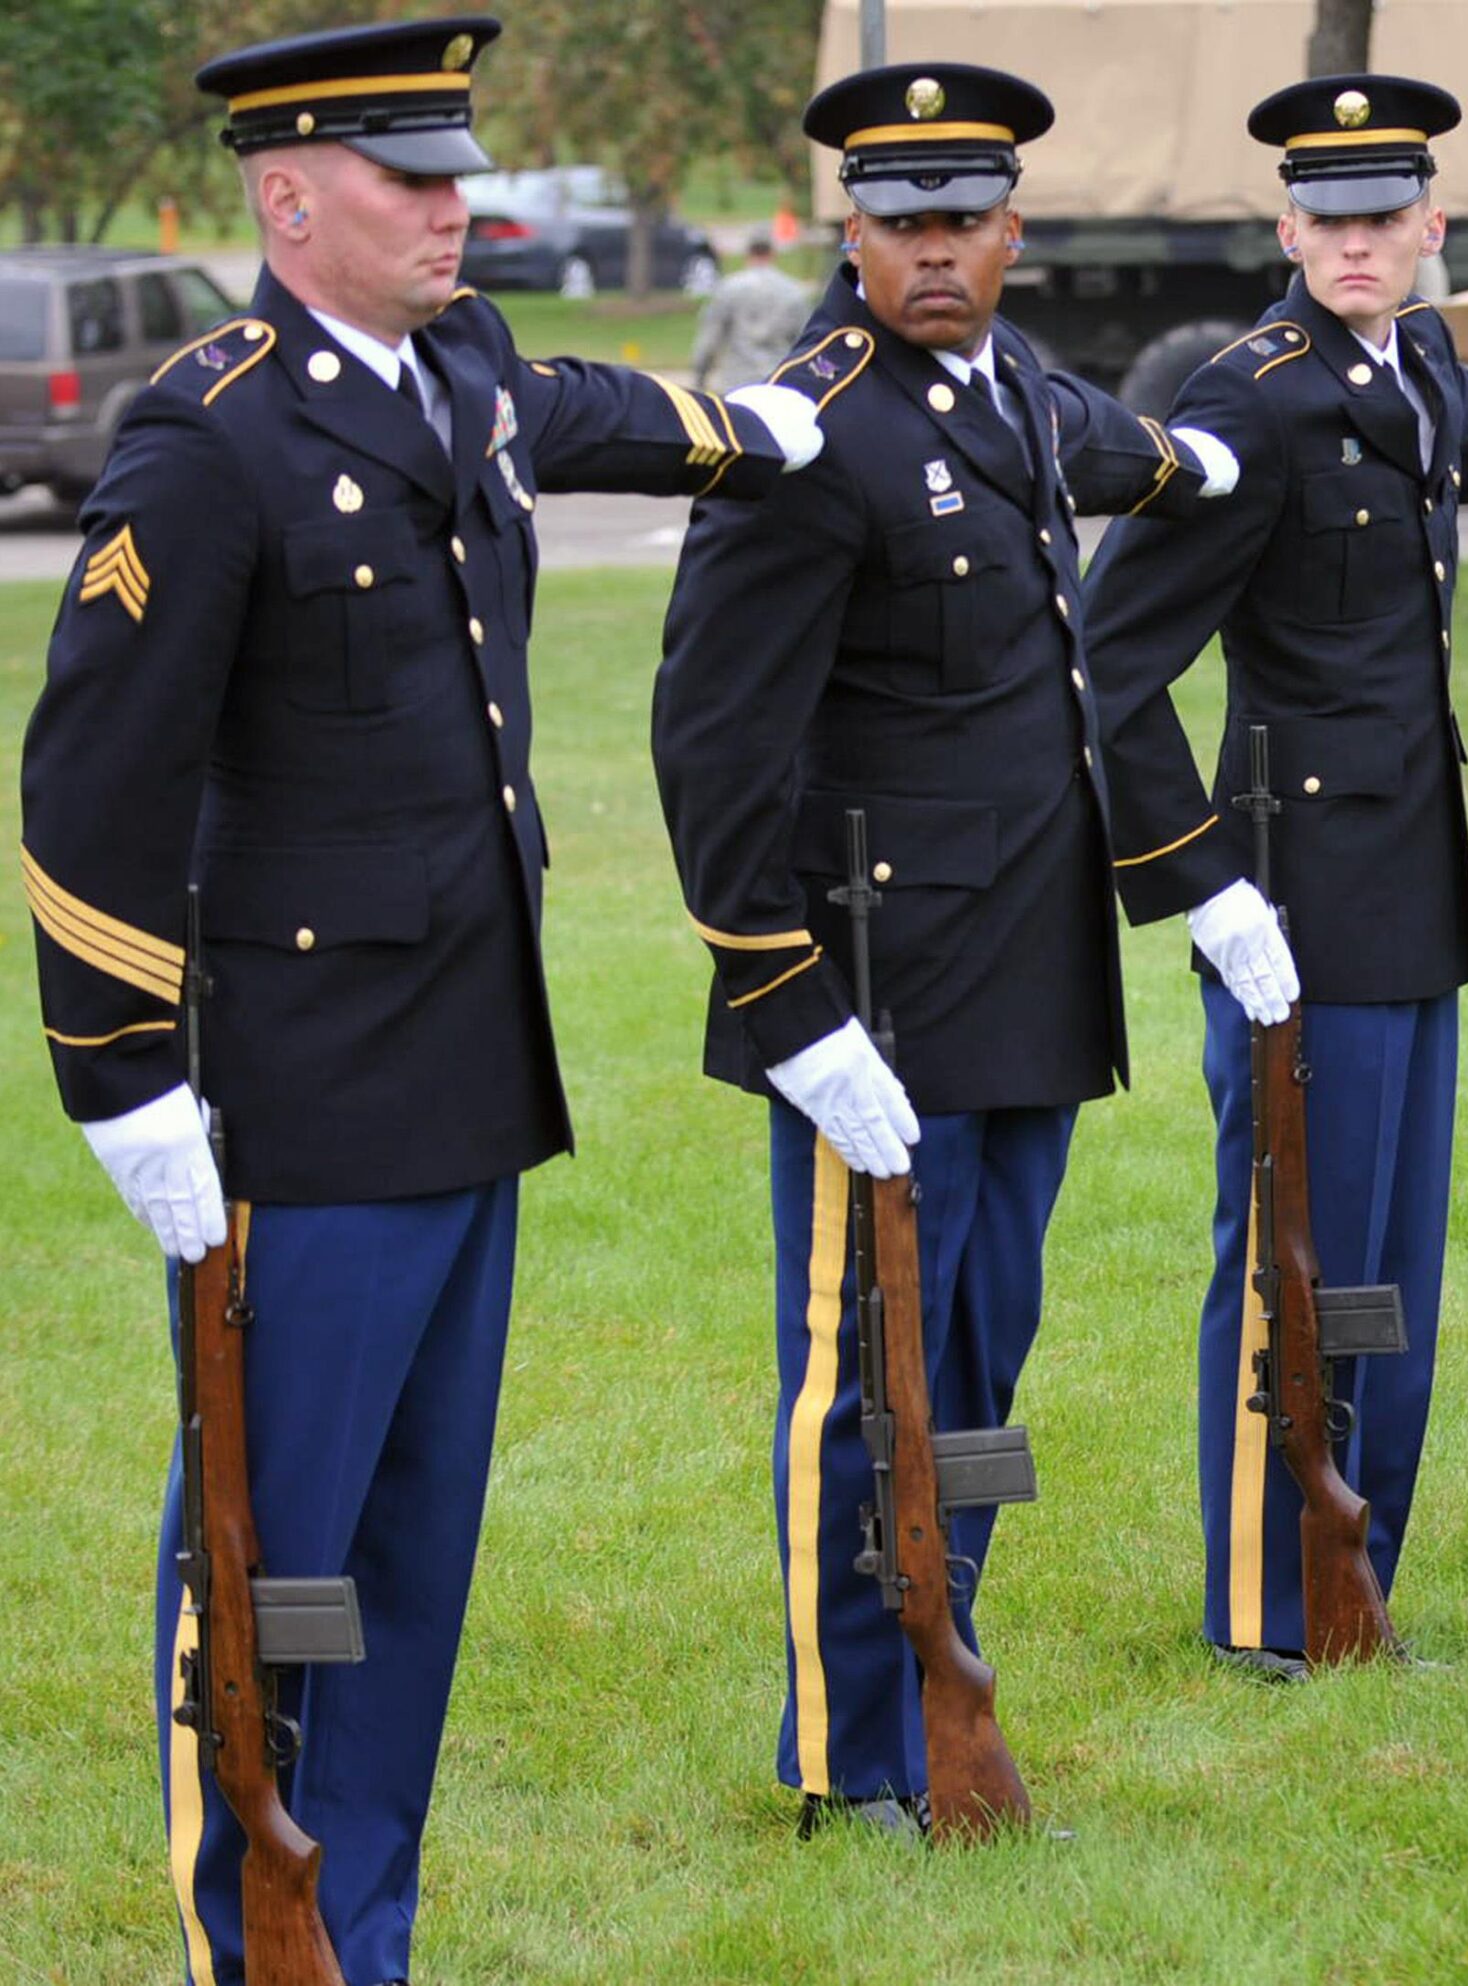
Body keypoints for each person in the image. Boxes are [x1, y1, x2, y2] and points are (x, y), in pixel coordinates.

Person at [16, 18, 820, 1982]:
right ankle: (256, 1931)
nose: (458, 207)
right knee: (276, 1558)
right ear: (289, 199)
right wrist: (124, 1079)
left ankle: (357, 1920)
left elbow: (576, 410)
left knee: (409, 1560)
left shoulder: (452, 365)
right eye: (410, 179)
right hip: (298, 1097)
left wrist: (761, 427)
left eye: (461, 171)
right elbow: (88, 778)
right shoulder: (209, 439)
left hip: (472, 1073)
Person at [652, 61, 1272, 1835]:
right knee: (866, 1367)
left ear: (1016, 233)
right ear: (847, 237)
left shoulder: (1014, 397)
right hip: (882, 992)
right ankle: (854, 1744)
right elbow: (712, 741)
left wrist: (1200, 457)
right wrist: (787, 1002)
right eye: (896, 225)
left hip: (1034, 973)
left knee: (986, 1350)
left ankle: (949, 1646)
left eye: (961, 223)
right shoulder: (810, 427)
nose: (930, 253)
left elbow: (1116, 461)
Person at [1079, 74, 1468, 1678]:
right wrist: (1199, 877)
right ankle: (1269, 1599)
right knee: (1296, 1251)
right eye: (1325, 222)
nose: (1356, 245)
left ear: (1431, 228)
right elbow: (1110, 656)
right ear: (1288, 230)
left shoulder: (1413, 361)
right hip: (1292, 904)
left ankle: (1362, 1571)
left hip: (1414, 890)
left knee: (1392, 1272)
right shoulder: (1247, 398)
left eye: (1384, 220)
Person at [692, 234, 815, 392]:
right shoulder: (794, 291)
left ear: (747, 253)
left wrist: (700, 377)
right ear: (772, 254)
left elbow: (710, 339)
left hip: (737, 382)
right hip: (779, 382)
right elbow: (806, 342)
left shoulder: (728, 289)